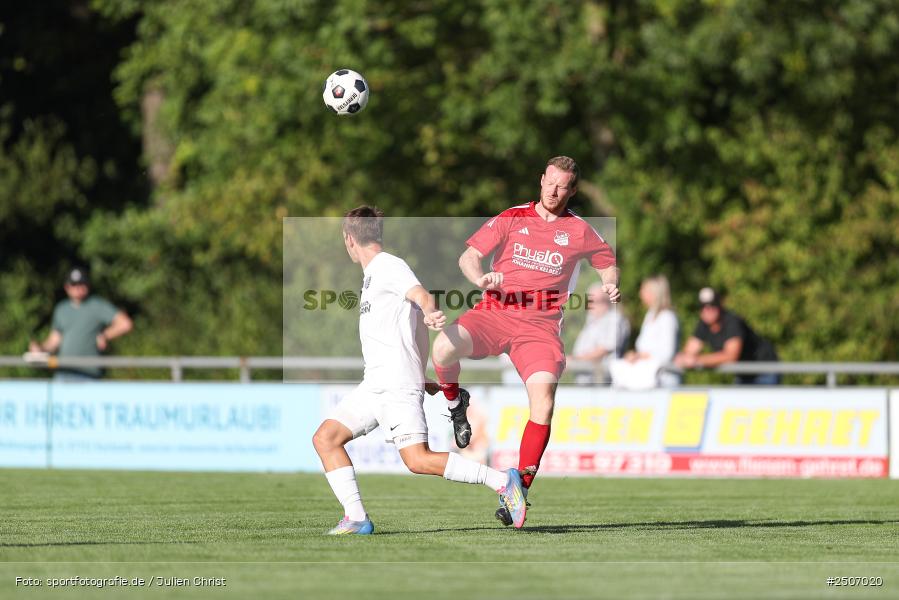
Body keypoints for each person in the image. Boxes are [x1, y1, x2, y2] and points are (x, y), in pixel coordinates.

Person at [311, 206, 527, 535]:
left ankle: (502, 481)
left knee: (418, 460)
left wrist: (430, 312)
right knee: (326, 438)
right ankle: (356, 518)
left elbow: (422, 296)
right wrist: (420, 369)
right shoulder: (372, 276)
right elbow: (409, 327)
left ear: (348, 239)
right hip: (376, 385)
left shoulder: (387, 265)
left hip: (395, 387)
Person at [430, 156, 619, 527]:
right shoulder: (514, 216)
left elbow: (606, 261)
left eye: (563, 186)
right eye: (550, 182)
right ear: (541, 180)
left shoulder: (579, 230)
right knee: (442, 348)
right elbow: (469, 257)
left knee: (544, 403)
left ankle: (519, 488)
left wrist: (611, 281)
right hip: (495, 313)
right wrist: (480, 278)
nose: (554, 191)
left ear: (572, 190)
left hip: (540, 328)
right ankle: (455, 402)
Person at [28, 267, 133, 380]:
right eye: (74, 284)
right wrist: (41, 349)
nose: (78, 288)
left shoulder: (97, 305)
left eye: (81, 284)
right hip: (63, 372)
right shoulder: (62, 309)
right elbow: (54, 340)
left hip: (88, 374)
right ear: (67, 287)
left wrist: (105, 335)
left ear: (87, 285)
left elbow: (125, 323)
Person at [673, 287, 780, 385]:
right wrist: (685, 358)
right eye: (703, 307)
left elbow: (730, 356)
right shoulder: (703, 324)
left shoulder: (731, 321)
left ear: (719, 306)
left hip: (764, 369)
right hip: (744, 373)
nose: (707, 310)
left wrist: (697, 360)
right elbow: (690, 351)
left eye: (712, 306)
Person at [610, 275, 680, 389]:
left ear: (654, 293)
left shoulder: (667, 317)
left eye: (644, 290)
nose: (640, 294)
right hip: (647, 381)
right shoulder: (651, 315)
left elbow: (667, 353)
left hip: (663, 383)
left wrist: (639, 356)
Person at [569, 282, 630, 384]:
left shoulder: (614, 319)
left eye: (598, 301)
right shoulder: (592, 320)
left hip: (602, 380)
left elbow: (605, 348)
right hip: (585, 379)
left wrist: (576, 359)